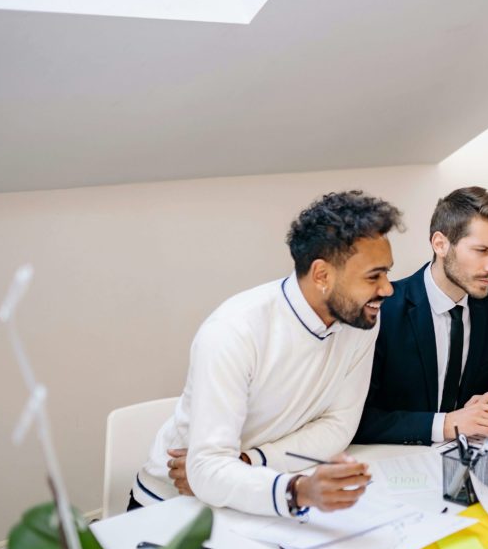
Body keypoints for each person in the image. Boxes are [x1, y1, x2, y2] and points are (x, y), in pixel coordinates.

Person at [132, 191, 402, 517]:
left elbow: (339, 426)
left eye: (387, 272)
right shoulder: (234, 331)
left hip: (258, 493)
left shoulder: (361, 319)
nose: (387, 289)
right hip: (172, 504)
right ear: (322, 276)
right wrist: (298, 491)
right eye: (374, 276)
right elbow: (204, 468)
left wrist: (251, 461)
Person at [355, 186, 488, 445]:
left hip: (475, 457)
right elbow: (358, 419)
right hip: (400, 461)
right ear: (440, 244)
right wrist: (445, 425)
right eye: (482, 251)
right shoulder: (384, 309)